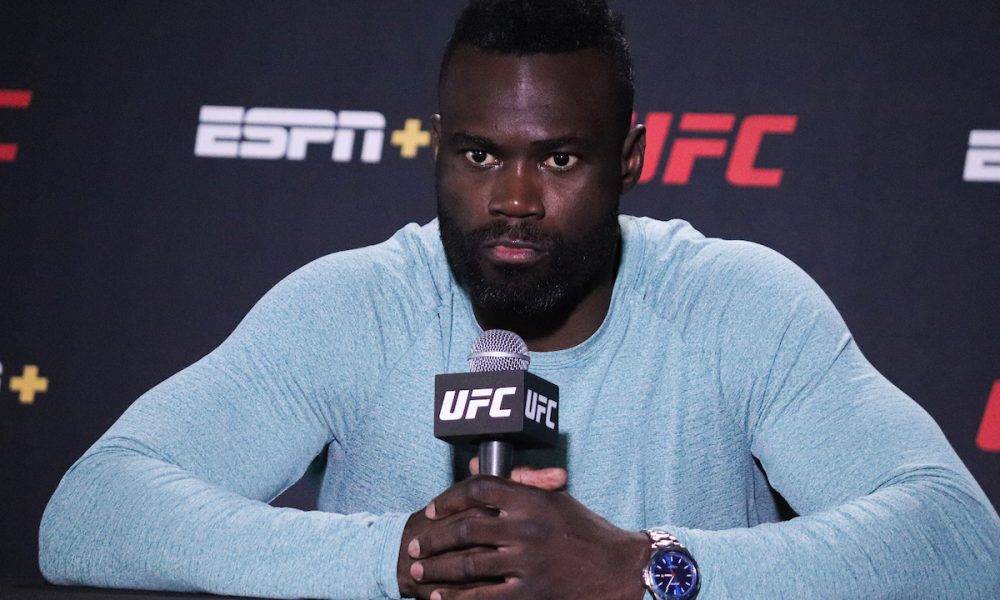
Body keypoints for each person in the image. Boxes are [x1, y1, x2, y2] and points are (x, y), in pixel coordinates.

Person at [40, 1, 998, 599]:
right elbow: (90, 509)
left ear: (630, 157)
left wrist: (637, 570)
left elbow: (962, 541)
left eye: (561, 159)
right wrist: (402, 559)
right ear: (439, 145)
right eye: (479, 154)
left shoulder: (739, 307)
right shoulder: (357, 306)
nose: (513, 199)